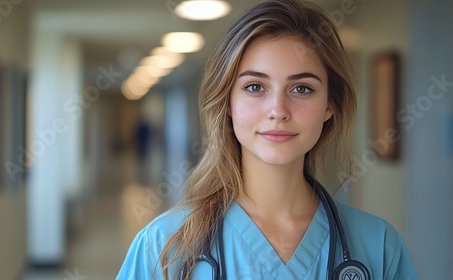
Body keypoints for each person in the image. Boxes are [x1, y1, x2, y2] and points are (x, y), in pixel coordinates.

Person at [116, 0, 419, 279]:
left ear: (330, 105)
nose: (278, 111)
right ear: (227, 102)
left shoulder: (379, 247)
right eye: (255, 87)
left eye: (301, 88)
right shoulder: (162, 248)